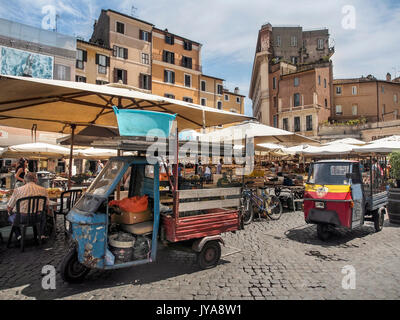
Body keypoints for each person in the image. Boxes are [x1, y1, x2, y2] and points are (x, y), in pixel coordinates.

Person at [7, 172, 50, 241]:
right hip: (37, 218)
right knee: (43, 214)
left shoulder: (17, 190)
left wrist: (10, 213)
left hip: (22, 218)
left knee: (11, 217)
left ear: (24, 180)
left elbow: (9, 207)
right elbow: (47, 206)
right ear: (36, 180)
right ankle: (41, 235)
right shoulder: (43, 190)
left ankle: (19, 236)